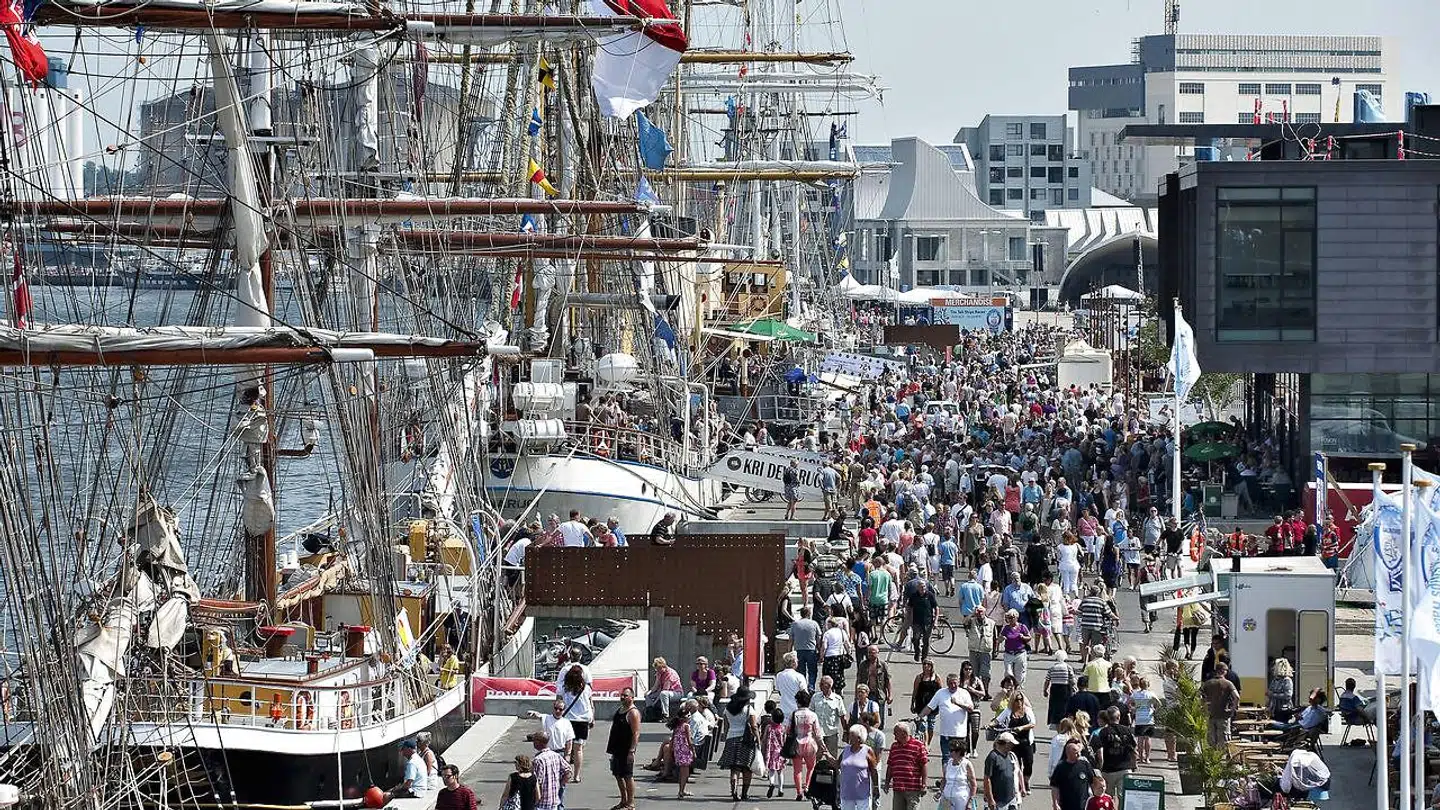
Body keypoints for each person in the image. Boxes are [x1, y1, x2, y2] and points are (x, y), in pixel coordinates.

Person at [717, 688, 759, 801]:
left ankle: (734, 791)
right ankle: (744, 793)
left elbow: (726, 727)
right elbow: (754, 727)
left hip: (731, 739)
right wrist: (759, 741)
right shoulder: (749, 710)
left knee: (734, 768)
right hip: (746, 741)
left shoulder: (727, 710)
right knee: (747, 768)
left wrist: (726, 738)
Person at [922, 672, 974, 762]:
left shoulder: (964, 693)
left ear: (958, 683)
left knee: (960, 760)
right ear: (947, 683)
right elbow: (930, 707)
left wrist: (957, 703)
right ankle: (946, 776)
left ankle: (958, 776)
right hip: (945, 734)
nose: (953, 685)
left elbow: (970, 709)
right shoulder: (941, 693)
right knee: (946, 759)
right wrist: (920, 716)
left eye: (955, 683)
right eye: (950, 683)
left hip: (959, 734)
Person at [790, 690, 832, 801]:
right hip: (810, 744)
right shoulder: (813, 715)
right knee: (811, 767)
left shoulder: (794, 714)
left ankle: (799, 792)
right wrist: (823, 746)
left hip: (797, 744)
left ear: (798, 702)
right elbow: (818, 733)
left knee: (797, 770)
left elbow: (789, 730)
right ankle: (807, 787)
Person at [556, 663, 593, 781]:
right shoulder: (586, 689)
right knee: (578, 749)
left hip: (568, 720)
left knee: (567, 749)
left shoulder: (564, 688)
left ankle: (565, 774)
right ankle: (577, 775)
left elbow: (558, 702)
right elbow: (590, 704)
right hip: (582, 720)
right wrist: (592, 718)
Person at [606, 687, 641, 810]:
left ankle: (630, 803)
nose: (623, 697)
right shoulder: (620, 709)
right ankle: (623, 800)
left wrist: (632, 751)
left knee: (627, 775)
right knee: (617, 774)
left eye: (626, 695)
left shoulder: (633, 712)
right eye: (622, 695)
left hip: (626, 750)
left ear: (632, 697)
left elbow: (636, 733)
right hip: (616, 749)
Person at [882, 722, 928, 810]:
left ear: (903, 733)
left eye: (896, 734)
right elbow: (890, 766)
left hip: (913, 788)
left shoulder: (918, 745)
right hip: (898, 788)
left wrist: (924, 784)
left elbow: (924, 765)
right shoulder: (894, 746)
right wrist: (887, 783)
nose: (894, 737)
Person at [994, 691, 1037, 784]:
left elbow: (1033, 723)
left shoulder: (1027, 710)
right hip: (1014, 742)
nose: (1019, 702)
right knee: (1016, 764)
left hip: (1026, 741)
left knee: (1029, 763)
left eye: (1021, 699)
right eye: (1017, 700)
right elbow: (998, 720)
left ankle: (1026, 781)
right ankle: (1019, 784)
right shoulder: (1008, 711)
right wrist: (990, 725)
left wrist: (1022, 728)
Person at [1094, 706, 1136, 800]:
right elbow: (1133, 749)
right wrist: (1134, 765)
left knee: (1108, 797)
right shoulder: (1127, 730)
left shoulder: (1103, 732)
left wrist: (1099, 768)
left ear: (1108, 718)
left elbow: (1100, 754)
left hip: (1108, 770)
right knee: (1124, 797)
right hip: (1125, 768)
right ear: (1119, 717)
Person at [1050, 739, 1105, 810]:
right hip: (1066, 805)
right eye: (1076, 753)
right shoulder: (1061, 767)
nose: (1079, 754)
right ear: (1068, 754)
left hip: (1083, 805)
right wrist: (1055, 803)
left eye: (1079, 752)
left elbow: (1093, 782)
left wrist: (1098, 797)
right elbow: (1055, 787)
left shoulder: (1085, 764)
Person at [837, 725, 880, 810]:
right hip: (846, 793)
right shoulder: (846, 750)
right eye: (850, 735)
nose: (850, 737)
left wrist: (876, 787)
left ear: (859, 738)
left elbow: (873, 770)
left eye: (852, 735)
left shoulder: (868, 751)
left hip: (862, 793)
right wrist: (827, 755)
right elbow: (837, 764)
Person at [1201, 662, 1240, 748]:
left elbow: (1200, 697)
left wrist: (1204, 709)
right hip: (1223, 715)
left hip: (1210, 714)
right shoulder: (1228, 683)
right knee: (1223, 741)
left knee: (1211, 740)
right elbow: (1237, 697)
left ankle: (1212, 759)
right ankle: (1221, 759)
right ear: (1224, 671)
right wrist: (1232, 709)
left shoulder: (1207, 683)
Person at [530, 732, 571, 810]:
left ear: (539, 742)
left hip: (541, 804)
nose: (533, 742)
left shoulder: (538, 760)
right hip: (553, 802)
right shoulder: (556, 755)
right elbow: (568, 772)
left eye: (534, 740)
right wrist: (559, 785)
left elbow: (537, 783)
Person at [983, 732, 1025, 810]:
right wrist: (990, 799)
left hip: (1011, 799)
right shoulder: (992, 757)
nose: (1013, 746)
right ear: (1006, 744)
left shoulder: (1010, 756)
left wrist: (1019, 791)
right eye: (1011, 744)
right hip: (998, 801)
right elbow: (987, 779)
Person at [857, 645, 893, 726]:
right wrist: (857, 694)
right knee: (867, 720)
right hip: (866, 695)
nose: (871, 655)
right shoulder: (863, 665)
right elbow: (858, 680)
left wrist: (890, 695)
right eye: (869, 653)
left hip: (879, 695)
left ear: (878, 653)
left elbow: (888, 680)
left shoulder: (883, 665)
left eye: (873, 653)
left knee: (879, 721)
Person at [937, 738, 977, 810]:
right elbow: (944, 780)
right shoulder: (948, 763)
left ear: (959, 752)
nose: (949, 752)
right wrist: (940, 791)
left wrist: (970, 801)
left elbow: (974, 785)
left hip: (961, 800)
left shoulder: (967, 764)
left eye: (952, 750)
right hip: (947, 799)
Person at [813, 675, 849, 757]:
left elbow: (842, 716)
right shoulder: (815, 697)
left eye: (822, 684)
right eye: (820, 683)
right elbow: (811, 714)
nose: (820, 686)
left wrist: (845, 731)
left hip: (831, 733)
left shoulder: (837, 699)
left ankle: (833, 770)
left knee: (832, 758)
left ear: (829, 686)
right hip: (817, 734)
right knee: (815, 757)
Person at [906, 578, 939, 662]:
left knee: (926, 641)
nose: (923, 588)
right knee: (916, 638)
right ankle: (917, 651)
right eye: (921, 587)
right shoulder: (914, 596)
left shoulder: (930, 595)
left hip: (928, 621)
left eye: (924, 587)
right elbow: (909, 607)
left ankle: (924, 657)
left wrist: (935, 620)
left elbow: (936, 607)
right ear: (918, 587)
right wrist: (909, 618)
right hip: (916, 621)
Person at [910, 659, 942, 744]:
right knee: (922, 725)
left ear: (932, 666)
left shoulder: (937, 677)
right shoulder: (919, 677)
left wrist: (942, 704)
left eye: (928, 664)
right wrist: (912, 703)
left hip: (933, 705)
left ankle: (928, 744)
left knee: (931, 726)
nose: (926, 666)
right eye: (924, 664)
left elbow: (941, 692)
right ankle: (923, 744)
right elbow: (915, 691)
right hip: (921, 704)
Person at [790, 607, 822, 690]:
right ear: (809, 614)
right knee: (812, 670)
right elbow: (818, 637)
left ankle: (802, 687)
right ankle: (811, 686)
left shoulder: (795, 624)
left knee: (801, 671)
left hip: (799, 650)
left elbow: (791, 638)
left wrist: (790, 649)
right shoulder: (814, 623)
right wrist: (819, 648)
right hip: (811, 650)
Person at [999, 609, 1032, 687]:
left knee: (1019, 675)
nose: (1010, 619)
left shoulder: (1022, 627)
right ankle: (1009, 689)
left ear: (1017, 617)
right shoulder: (1006, 628)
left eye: (1012, 617)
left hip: (1020, 653)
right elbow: (999, 639)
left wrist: (1023, 637)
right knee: (1008, 673)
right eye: (1009, 617)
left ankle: (1017, 690)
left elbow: (1029, 637)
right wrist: (1001, 638)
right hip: (1008, 653)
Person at [1043, 650, 1075, 729]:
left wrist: (1045, 690)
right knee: (1065, 708)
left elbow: (1047, 680)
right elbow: (1072, 680)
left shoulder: (1052, 668)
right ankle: (1065, 725)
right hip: (1065, 689)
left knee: (1055, 708)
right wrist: (1074, 688)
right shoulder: (1068, 667)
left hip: (1054, 689)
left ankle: (1057, 725)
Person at [1129, 677, 1157, 764]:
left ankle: (1140, 758)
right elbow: (1158, 702)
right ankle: (1147, 758)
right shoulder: (1151, 694)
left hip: (1139, 718)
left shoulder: (1135, 694)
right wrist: (1154, 710)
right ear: (1148, 685)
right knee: (1147, 738)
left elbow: (1129, 702)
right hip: (1148, 718)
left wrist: (1133, 709)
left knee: (1140, 739)